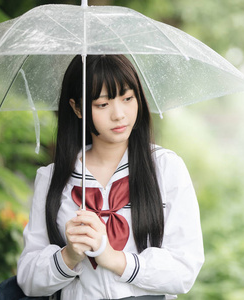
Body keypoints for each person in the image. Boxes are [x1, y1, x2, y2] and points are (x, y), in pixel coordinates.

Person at [17, 55, 204, 299]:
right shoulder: (52, 178)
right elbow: (28, 279)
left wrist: (115, 259)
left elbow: (184, 269)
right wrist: (69, 256)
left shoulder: (166, 168)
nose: (119, 115)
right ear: (76, 108)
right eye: (103, 104)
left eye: (127, 99)